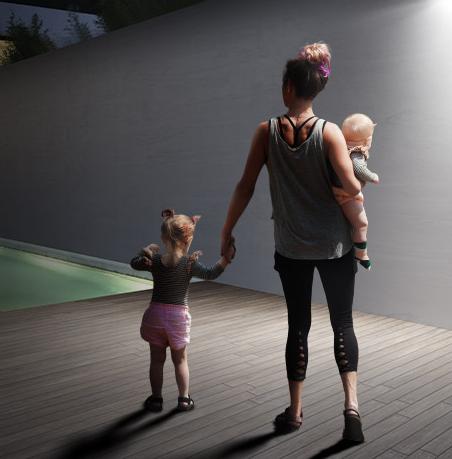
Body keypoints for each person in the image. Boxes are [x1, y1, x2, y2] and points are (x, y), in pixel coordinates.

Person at [221, 42, 366, 443]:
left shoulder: (266, 131)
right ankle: (351, 406)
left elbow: (245, 186)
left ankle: (296, 410)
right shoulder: (330, 132)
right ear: (316, 89)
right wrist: (356, 160)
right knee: (343, 322)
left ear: (288, 87)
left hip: (291, 248)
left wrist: (225, 230)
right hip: (335, 246)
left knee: (297, 326)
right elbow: (352, 186)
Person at [131, 209, 233, 413]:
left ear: (163, 237)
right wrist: (226, 259)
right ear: (189, 240)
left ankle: (156, 399)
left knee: (157, 361)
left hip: (156, 316)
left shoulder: (155, 261)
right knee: (180, 361)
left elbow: (134, 264)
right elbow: (210, 273)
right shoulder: (188, 264)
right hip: (177, 319)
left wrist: (146, 250)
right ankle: (184, 399)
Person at [332, 113, 379, 270]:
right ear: (368, 140)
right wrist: (373, 177)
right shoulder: (356, 153)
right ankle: (361, 253)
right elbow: (360, 170)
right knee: (361, 223)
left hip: (335, 190)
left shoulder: (339, 148)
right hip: (346, 195)